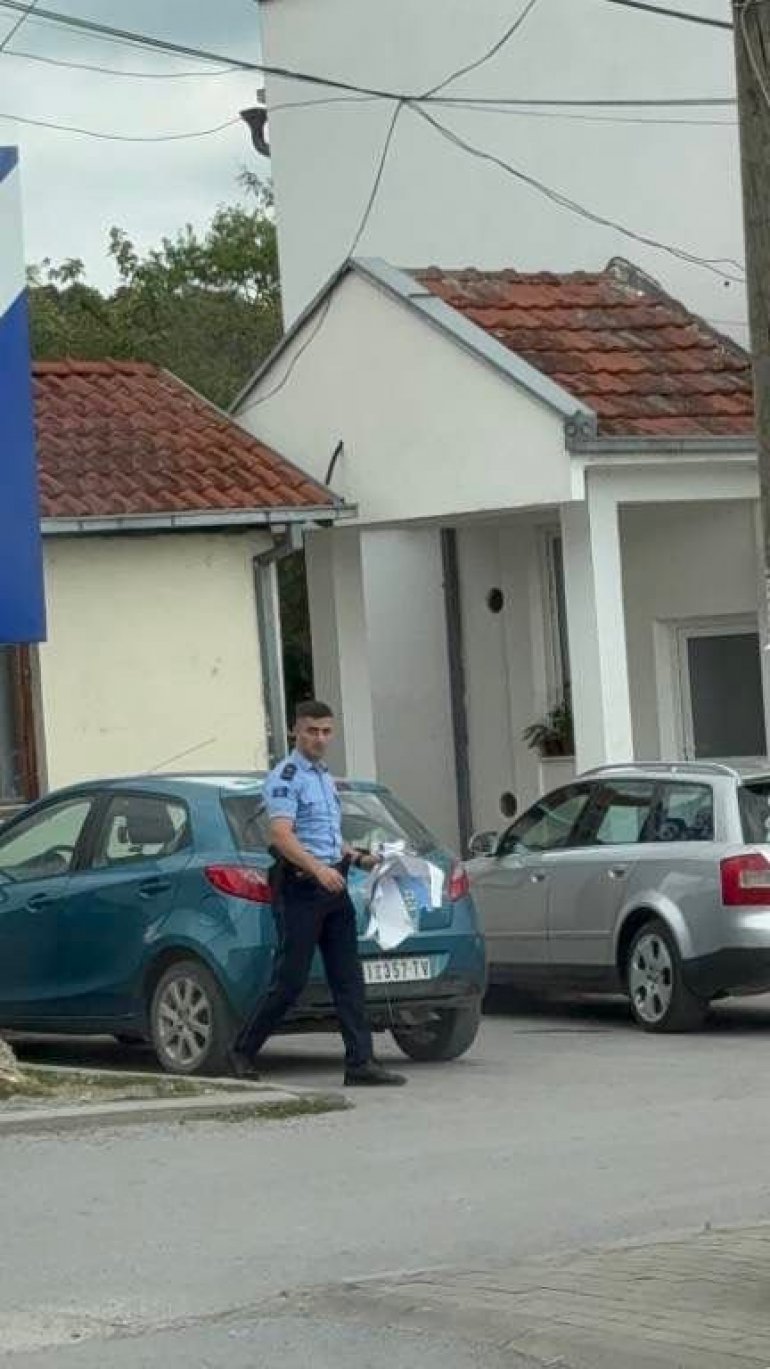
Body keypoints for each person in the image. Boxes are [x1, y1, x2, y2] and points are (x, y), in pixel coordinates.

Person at [231, 700, 406, 1087]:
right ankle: (241, 1051)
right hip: (301, 888)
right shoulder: (286, 777)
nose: (320, 738)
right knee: (290, 981)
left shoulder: (324, 778)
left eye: (326, 731)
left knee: (348, 977)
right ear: (295, 730)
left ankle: (360, 1063)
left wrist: (357, 858)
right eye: (312, 731)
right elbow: (281, 836)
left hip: (333, 886)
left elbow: (327, 835)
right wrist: (318, 870)